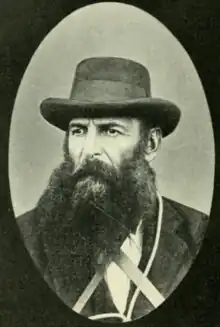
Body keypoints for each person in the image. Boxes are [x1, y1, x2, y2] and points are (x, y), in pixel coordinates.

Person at [17, 57, 208, 323]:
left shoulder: (196, 235)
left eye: (110, 130)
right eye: (79, 130)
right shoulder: (24, 238)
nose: (89, 150)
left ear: (150, 144)